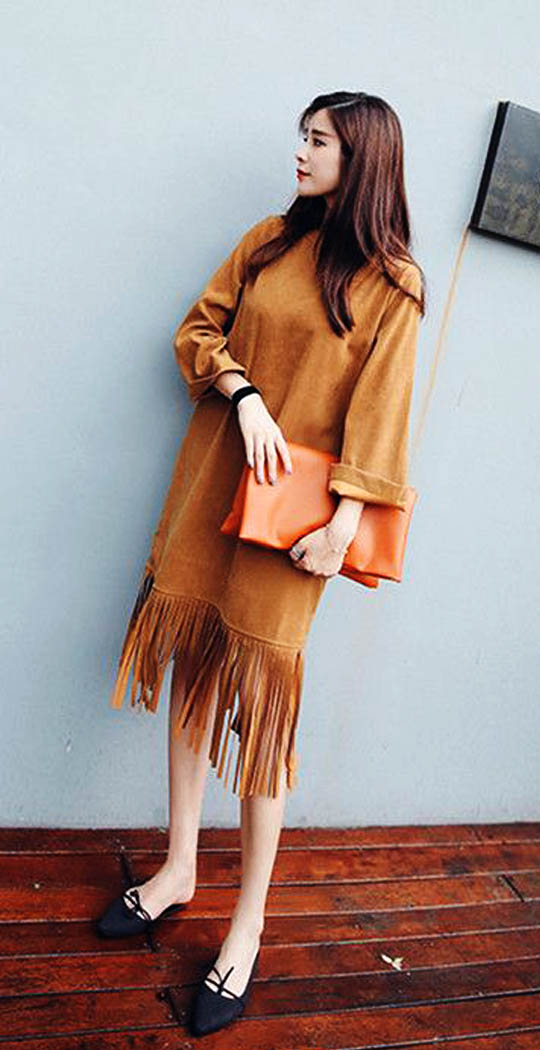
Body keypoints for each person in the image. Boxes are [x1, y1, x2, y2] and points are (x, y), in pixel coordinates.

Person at [97, 90, 426, 1037]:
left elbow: (384, 416)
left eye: (319, 140)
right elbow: (196, 331)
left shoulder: (393, 284)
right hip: (211, 483)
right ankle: (178, 869)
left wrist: (345, 524)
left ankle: (247, 927)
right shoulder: (269, 241)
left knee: (263, 716)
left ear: (362, 157)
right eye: (303, 136)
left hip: (296, 524)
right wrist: (241, 394)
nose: (301, 151)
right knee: (194, 676)